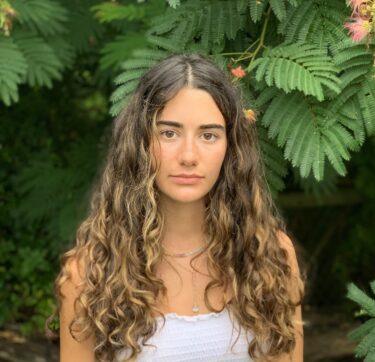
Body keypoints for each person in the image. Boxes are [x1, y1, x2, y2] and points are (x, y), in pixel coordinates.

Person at [49, 53, 305, 362]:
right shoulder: (90, 272)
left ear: (231, 147)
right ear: (141, 141)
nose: (188, 155)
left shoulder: (271, 256)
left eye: (208, 135)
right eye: (169, 133)